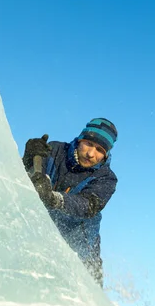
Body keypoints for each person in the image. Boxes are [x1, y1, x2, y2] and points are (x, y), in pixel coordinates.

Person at [22, 118, 118, 287]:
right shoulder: (54, 150)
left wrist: (54, 198)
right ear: (80, 139)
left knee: (88, 287)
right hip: (41, 226)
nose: (91, 153)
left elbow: (88, 206)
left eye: (99, 150)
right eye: (88, 143)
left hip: (80, 242)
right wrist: (29, 158)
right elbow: (26, 178)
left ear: (106, 154)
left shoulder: (106, 179)